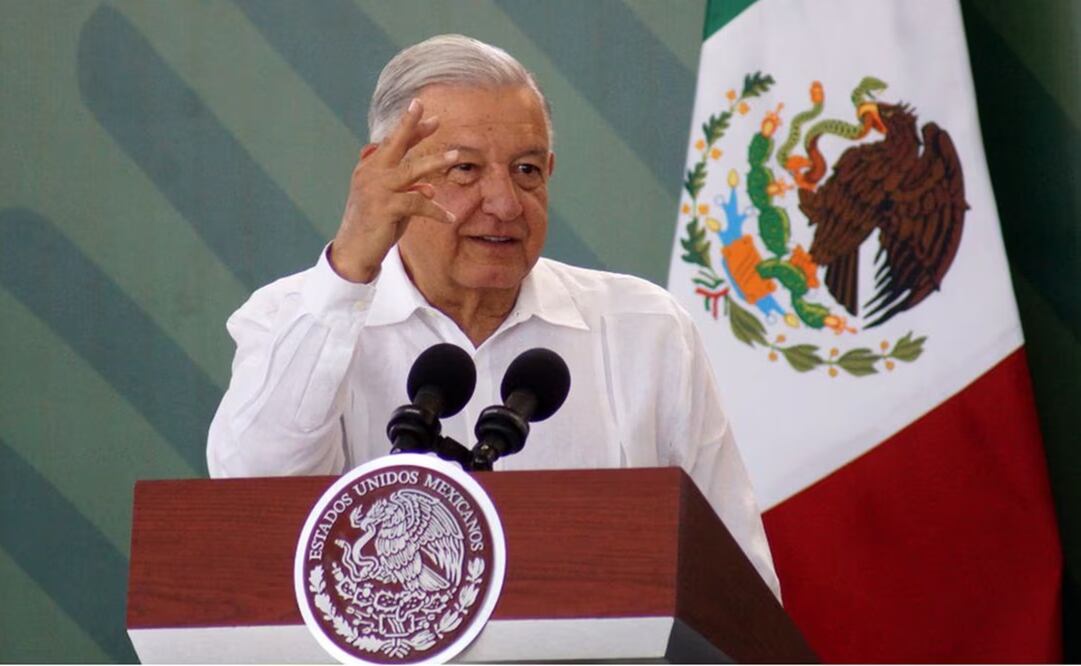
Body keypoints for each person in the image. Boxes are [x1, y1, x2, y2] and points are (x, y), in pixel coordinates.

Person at [207, 34, 780, 599]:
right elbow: (254, 509)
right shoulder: (291, 318)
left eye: (527, 170)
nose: (505, 203)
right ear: (384, 175)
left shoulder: (646, 330)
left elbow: (738, 589)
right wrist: (350, 270)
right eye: (465, 170)